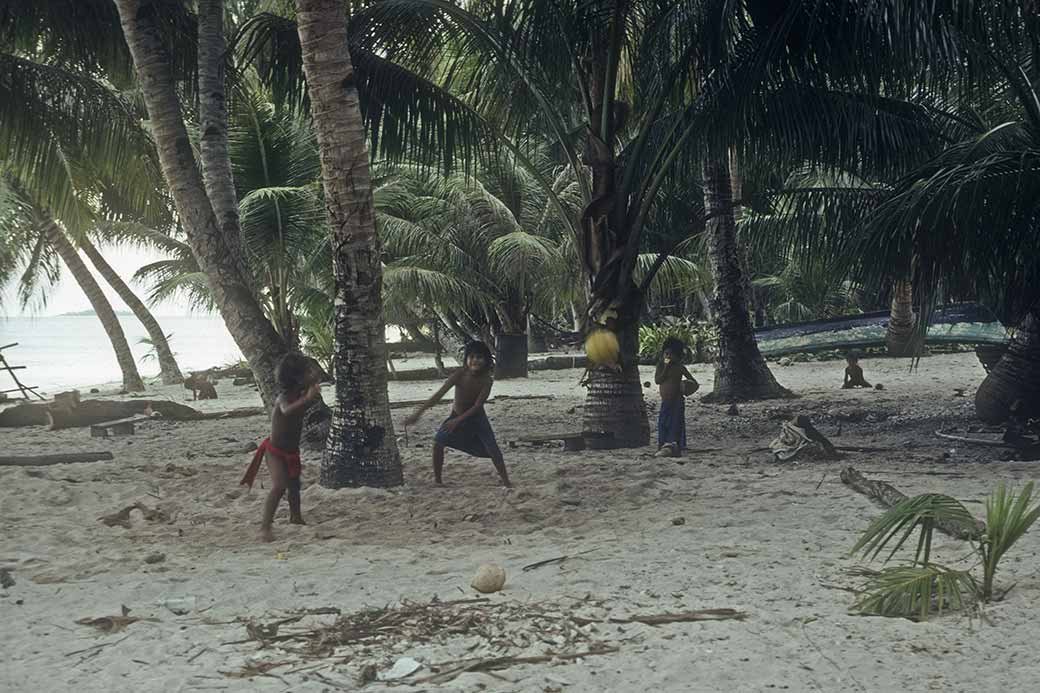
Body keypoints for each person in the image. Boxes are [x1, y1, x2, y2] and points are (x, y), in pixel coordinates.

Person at [404, 341, 511, 487]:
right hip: (456, 414)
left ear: (486, 360)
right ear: (466, 359)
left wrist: (457, 421)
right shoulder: (459, 374)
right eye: (471, 357)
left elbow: (477, 405)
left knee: (493, 450)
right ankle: (438, 481)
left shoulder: (486, 381)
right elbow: (438, 395)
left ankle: (506, 482)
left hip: (477, 418)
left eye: (479, 357)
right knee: (438, 443)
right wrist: (418, 413)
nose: (475, 361)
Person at [241, 352, 321, 542]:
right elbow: (286, 411)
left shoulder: (301, 393)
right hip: (275, 451)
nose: (313, 373)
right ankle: (265, 527)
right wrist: (307, 398)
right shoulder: (284, 398)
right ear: (297, 378)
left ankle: (296, 517)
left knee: (294, 486)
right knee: (279, 486)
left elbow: (314, 379)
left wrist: (310, 389)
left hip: (292, 451)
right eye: (308, 371)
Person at [655, 336, 698, 457]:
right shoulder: (661, 366)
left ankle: (677, 443)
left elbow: (693, 381)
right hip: (666, 400)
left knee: (676, 422)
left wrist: (686, 386)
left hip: (677, 400)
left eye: (670, 354)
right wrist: (666, 368)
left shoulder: (680, 367)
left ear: (677, 355)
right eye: (666, 353)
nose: (667, 357)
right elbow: (658, 380)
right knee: (663, 422)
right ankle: (662, 442)